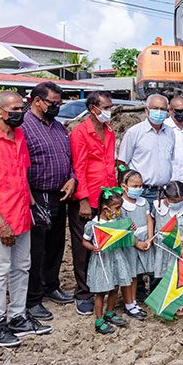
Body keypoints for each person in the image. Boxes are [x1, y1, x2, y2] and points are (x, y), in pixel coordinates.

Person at [0, 91, 52, 347]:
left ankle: (17, 315)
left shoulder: (19, 136)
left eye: (22, 107)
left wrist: (33, 207)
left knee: (22, 266)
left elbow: (22, 175)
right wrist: (0, 222)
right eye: (15, 109)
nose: (21, 112)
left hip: (21, 214)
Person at [21, 81, 76, 322]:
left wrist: (72, 178)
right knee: (35, 248)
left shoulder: (58, 127)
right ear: (37, 101)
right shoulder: (23, 126)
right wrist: (29, 197)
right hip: (36, 193)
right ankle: (32, 299)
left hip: (60, 193)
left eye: (59, 103)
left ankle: (51, 285)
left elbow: (69, 157)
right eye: (53, 103)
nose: (57, 106)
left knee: (55, 244)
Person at [69, 90, 117, 315]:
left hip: (106, 197)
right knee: (84, 246)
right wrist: (84, 200)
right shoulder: (80, 133)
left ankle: (102, 286)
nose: (109, 111)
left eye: (110, 107)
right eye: (105, 107)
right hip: (87, 198)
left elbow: (110, 164)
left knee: (104, 244)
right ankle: (83, 293)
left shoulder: (109, 131)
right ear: (93, 109)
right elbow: (78, 168)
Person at [82, 189, 131, 334]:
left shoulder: (116, 222)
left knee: (115, 287)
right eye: (117, 208)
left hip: (115, 258)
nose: (119, 211)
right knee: (101, 292)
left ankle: (109, 313)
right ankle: (98, 319)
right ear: (105, 208)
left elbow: (123, 234)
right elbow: (84, 241)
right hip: (102, 260)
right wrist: (93, 248)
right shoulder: (93, 224)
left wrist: (129, 228)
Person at [117, 93, 176, 203]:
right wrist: (126, 188)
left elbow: (170, 160)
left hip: (164, 193)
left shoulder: (170, 132)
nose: (159, 112)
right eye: (155, 108)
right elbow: (121, 163)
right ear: (147, 110)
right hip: (141, 192)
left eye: (163, 109)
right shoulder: (134, 133)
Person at [151, 181, 183, 312]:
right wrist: (150, 237)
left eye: (180, 200)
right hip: (163, 248)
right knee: (162, 274)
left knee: (178, 275)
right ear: (166, 197)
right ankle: (162, 298)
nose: (177, 203)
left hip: (178, 248)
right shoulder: (157, 207)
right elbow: (151, 222)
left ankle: (178, 300)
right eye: (174, 201)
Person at [119, 167, 152, 320]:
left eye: (140, 186)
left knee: (137, 273)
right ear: (124, 186)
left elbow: (149, 220)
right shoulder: (121, 205)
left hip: (144, 240)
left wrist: (149, 239)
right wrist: (137, 243)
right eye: (135, 186)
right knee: (130, 275)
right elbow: (125, 228)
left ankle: (133, 302)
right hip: (130, 244)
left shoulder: (143, 202)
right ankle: (129, 303)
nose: (138, 189)